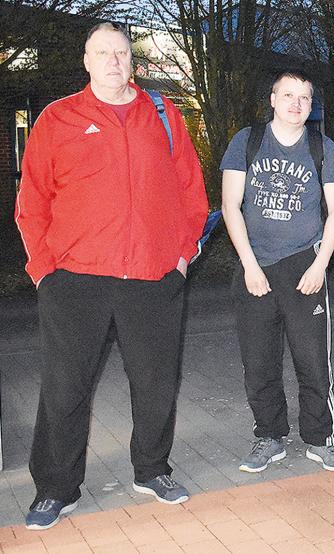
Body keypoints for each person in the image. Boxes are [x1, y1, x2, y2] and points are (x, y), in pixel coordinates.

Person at [14, 22, 207, 530]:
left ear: (133, 62)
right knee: (65, 388)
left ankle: (152, 469)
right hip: (74, 280)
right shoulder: (58, 118)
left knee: (156, 383)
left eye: (121, 53)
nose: (113, 61)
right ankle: (56, 488)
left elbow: (192, 194)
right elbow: (31, 201)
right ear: (87, 60)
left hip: (152, 277)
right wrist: (43, 273)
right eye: (103, 52)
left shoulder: (164, 116)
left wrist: (183, 257)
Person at [219, 70, 334, 473]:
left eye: (305, 98)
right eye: (288, 95)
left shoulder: (322, 147)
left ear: (311, 107)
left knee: (312, 361)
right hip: (255, 265)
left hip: (304, 266)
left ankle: (320, 439)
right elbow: (230, 206)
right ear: (272, 98)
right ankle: (269, 437)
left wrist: (320, 264)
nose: (296, 103)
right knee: (259, 362)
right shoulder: (247, 141)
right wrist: (248, 265)